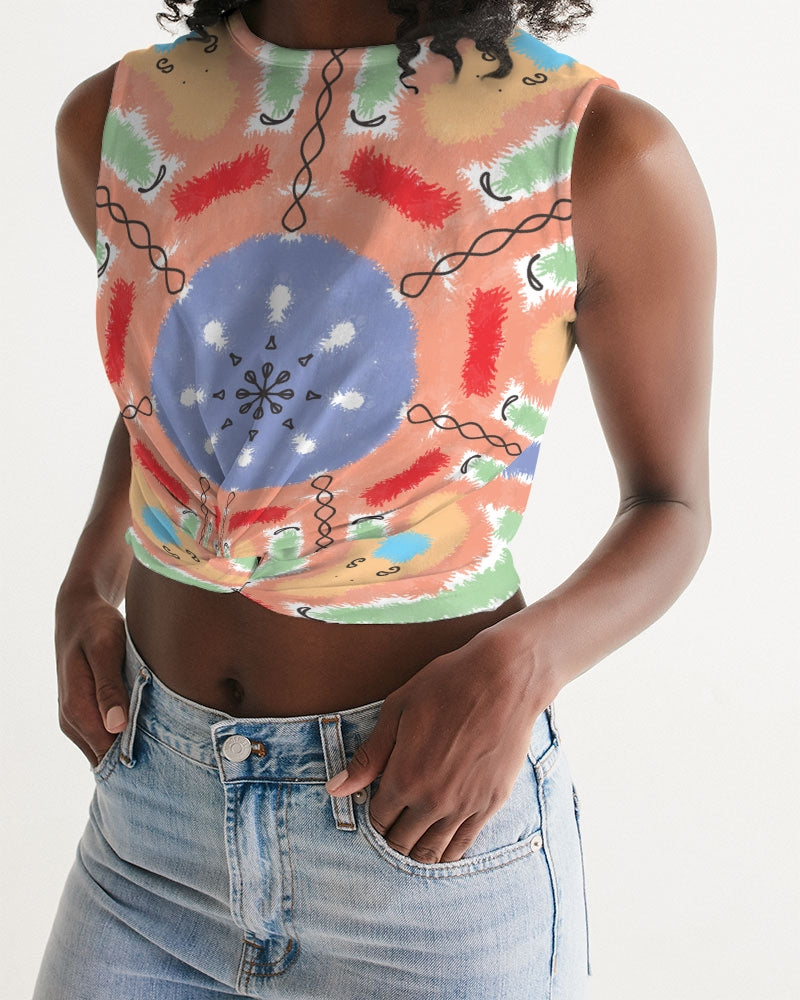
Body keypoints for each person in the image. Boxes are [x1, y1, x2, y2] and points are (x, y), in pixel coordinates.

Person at [35, 0, 714, 997]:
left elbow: (671, 507)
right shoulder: (117, 120)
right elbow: (181, 402)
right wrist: (85, 582)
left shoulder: (597, 151)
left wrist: (523, 668)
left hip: (425, 843)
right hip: (150, 829)